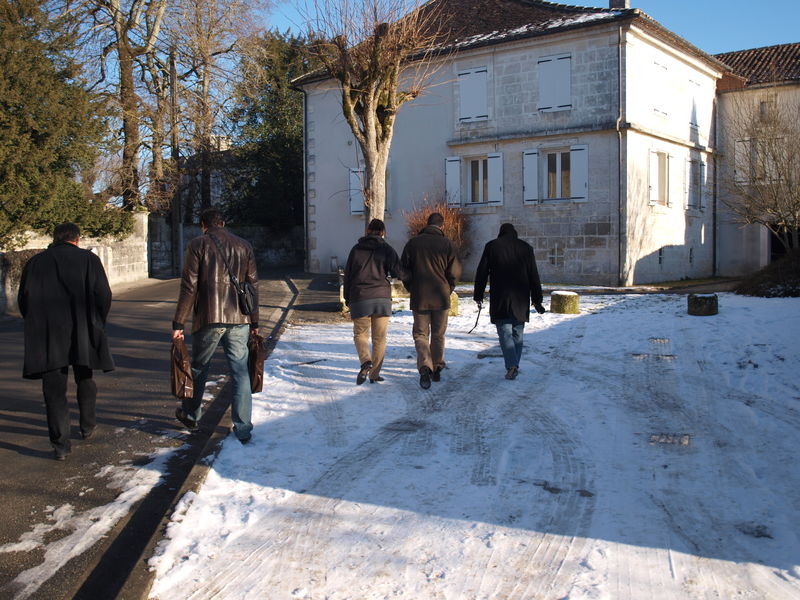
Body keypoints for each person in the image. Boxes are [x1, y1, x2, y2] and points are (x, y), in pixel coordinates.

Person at [17, 223, 115, 460]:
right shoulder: (89, 260)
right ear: (77, 239)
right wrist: (97, 321)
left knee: (54, 389)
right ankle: (87, 425)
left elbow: (24, 299)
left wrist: (35, 322)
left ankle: (60, 444)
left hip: (48, 333)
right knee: (85, 377)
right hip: (82, 328)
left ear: (55, 238)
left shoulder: (35, 263)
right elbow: (103, 294)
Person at [172, 208, 259, 444]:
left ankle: (191, 415)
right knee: (240, 372)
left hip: (208, 317)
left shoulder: (197, 244)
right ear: (223, 223)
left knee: (199, 367)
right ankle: (243, 428)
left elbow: (189, 286)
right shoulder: (244, 245)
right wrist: (255, 321)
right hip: (239, 318)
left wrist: (178, 322)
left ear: (203, 225)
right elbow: (252, 286)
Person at [473, 223, 545, 380]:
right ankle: (514, 365)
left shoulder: (492, 246)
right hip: (521, 298)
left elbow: (482, 272)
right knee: (517, 333)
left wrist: (478, 294)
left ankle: (512, 366)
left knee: (505, 331)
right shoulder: (526, 248)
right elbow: (534, 275)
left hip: (500, 296)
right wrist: (537, 299)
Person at [401, 212, 462, 389]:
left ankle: (424, 367)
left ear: (427, 224)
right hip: (441, 295)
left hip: (420, 295)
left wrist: (412, 287)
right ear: (442, 226)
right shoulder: (448, 244)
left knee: (420, 334)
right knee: (438, 334)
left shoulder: (413, 244)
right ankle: (436, 366)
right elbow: (455, 271)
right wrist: (448, 288)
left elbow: (403, 270)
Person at [343, 219, 404, 385]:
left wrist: (348, 298)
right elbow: (399, 272)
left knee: (360, 334)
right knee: (380, 338)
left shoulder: (356, 250)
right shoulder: (387, 249)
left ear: (367, 231)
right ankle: (374, 374)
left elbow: (348, 276)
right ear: (383, 232)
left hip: (360, 297)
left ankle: (365, 361)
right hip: (381, 299)